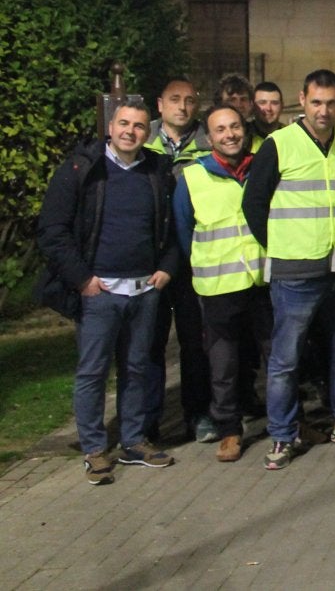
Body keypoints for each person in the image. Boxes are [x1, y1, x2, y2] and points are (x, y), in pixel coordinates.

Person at [243, 69, 335, 469]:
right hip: (294, 273)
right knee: (286, 359)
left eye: (331, 103)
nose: (324, 111)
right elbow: (254, 205)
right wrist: (282, 248)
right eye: (316, 102)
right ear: (302, 100)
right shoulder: (278, 144)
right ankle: (283, 435)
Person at [36, 99, 178, 483]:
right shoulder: (82, 170)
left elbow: (170, 227)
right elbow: (53, 231)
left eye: (138, 126)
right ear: (110, 127)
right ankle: (95, 449)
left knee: (137, 369)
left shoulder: (158, 171)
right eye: (123, 123)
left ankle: (133, 442)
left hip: (144, 291)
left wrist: (166, 267)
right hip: (99, 293)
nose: (130, 131)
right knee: (93, 372)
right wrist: (83, 279)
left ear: (147, 133)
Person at [172, 104, 270, 463]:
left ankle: (287, 424)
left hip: (263, 280)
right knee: (224, 366)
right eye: (220, 130)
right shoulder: (192, 177)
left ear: (244, 129)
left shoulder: (262, 167)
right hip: (218, 288)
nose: (229, 135)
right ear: (209, 137)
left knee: (280, 360)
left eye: (234, 127)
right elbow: (185, 233)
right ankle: (229, 430)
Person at [142, 77, 214, 443]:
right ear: (160, 104)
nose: (182, 107)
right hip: (150, 261)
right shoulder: (143, 142)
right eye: (174, 100)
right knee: (150, 343)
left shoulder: (208, 144)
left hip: (190, 257)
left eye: (189, 100)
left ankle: (198, 414)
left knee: (193, 342)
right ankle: (148, 422)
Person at [252, 81, 285, 146]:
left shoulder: (291, 135)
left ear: (282, 106)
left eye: (274, 103)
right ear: (252, 105)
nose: (268, 108)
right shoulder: (244, 136)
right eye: (262, 103)